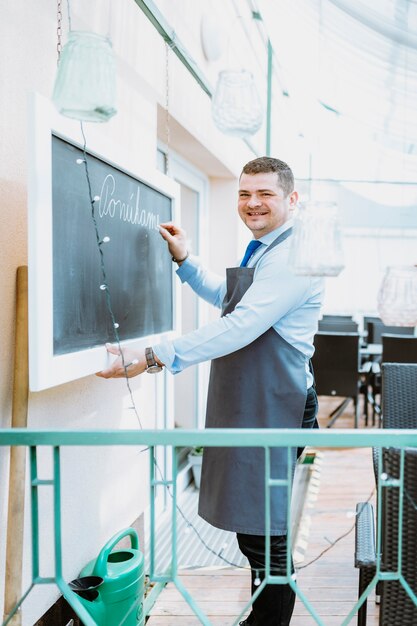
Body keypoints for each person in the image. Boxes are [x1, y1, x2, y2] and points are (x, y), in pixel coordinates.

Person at [97, 156, 324, 626]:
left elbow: (241, 324)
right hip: (256, 400)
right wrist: (185, 260)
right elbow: (231, 296)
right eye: (244, 194)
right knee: (255, 530)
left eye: (265, 193)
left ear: (292, 198)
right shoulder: (266, 248)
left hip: (275, 404)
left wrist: (156, 356)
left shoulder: (293, 257)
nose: (252, 203)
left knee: (267, 534)